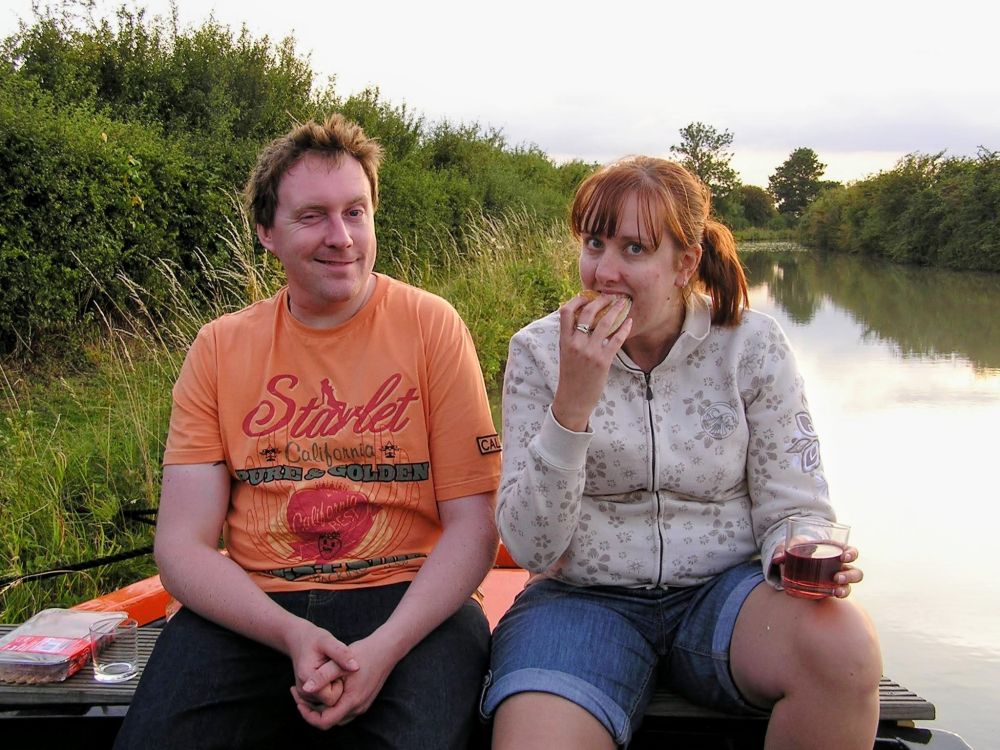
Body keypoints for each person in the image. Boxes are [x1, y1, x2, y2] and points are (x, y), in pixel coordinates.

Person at [114, 114, 501, 750]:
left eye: (356, 211)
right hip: (255, 608)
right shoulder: (219, 348)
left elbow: (474, 526)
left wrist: (380, 652)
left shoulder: (432, 327)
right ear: (266, 232)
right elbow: (182, 546)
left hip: (411, 602)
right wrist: (290, 634)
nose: (341, 237)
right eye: (312, 216)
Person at [482, 156, 882, 749]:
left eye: (635, 249)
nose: (605, 271)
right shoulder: (540, 352)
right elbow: (534, 546)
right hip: (582, 601)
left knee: (843, 644)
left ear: (685, 263)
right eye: (594, 244)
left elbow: (794, 504)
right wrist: (572, 406)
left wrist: (799, 545)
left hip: (727, 596)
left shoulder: (750, 345)